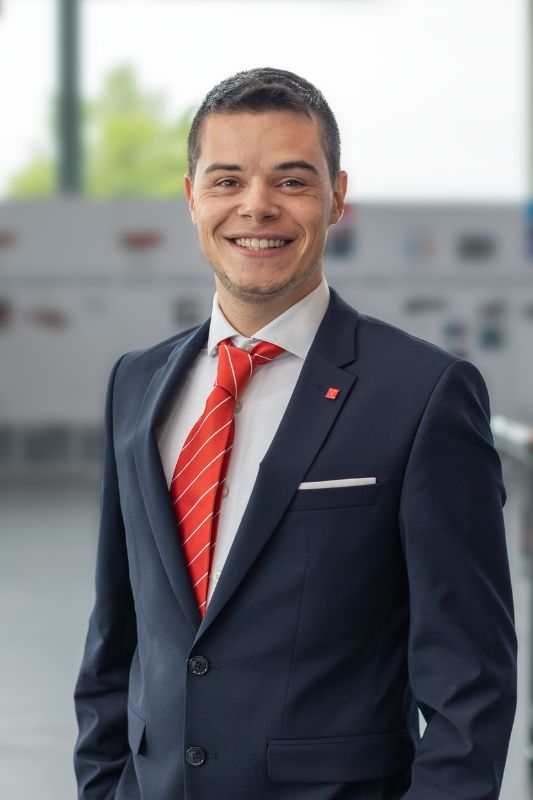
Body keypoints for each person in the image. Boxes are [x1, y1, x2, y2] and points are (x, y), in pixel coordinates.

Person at [73, 67, 517, 800]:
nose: (256, 207)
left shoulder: (423, 394)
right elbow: (115, 639)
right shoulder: (136, 384)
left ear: (337, 197)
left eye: (291, 180)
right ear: (190, 199)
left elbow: (471, 680)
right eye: (226, 181)